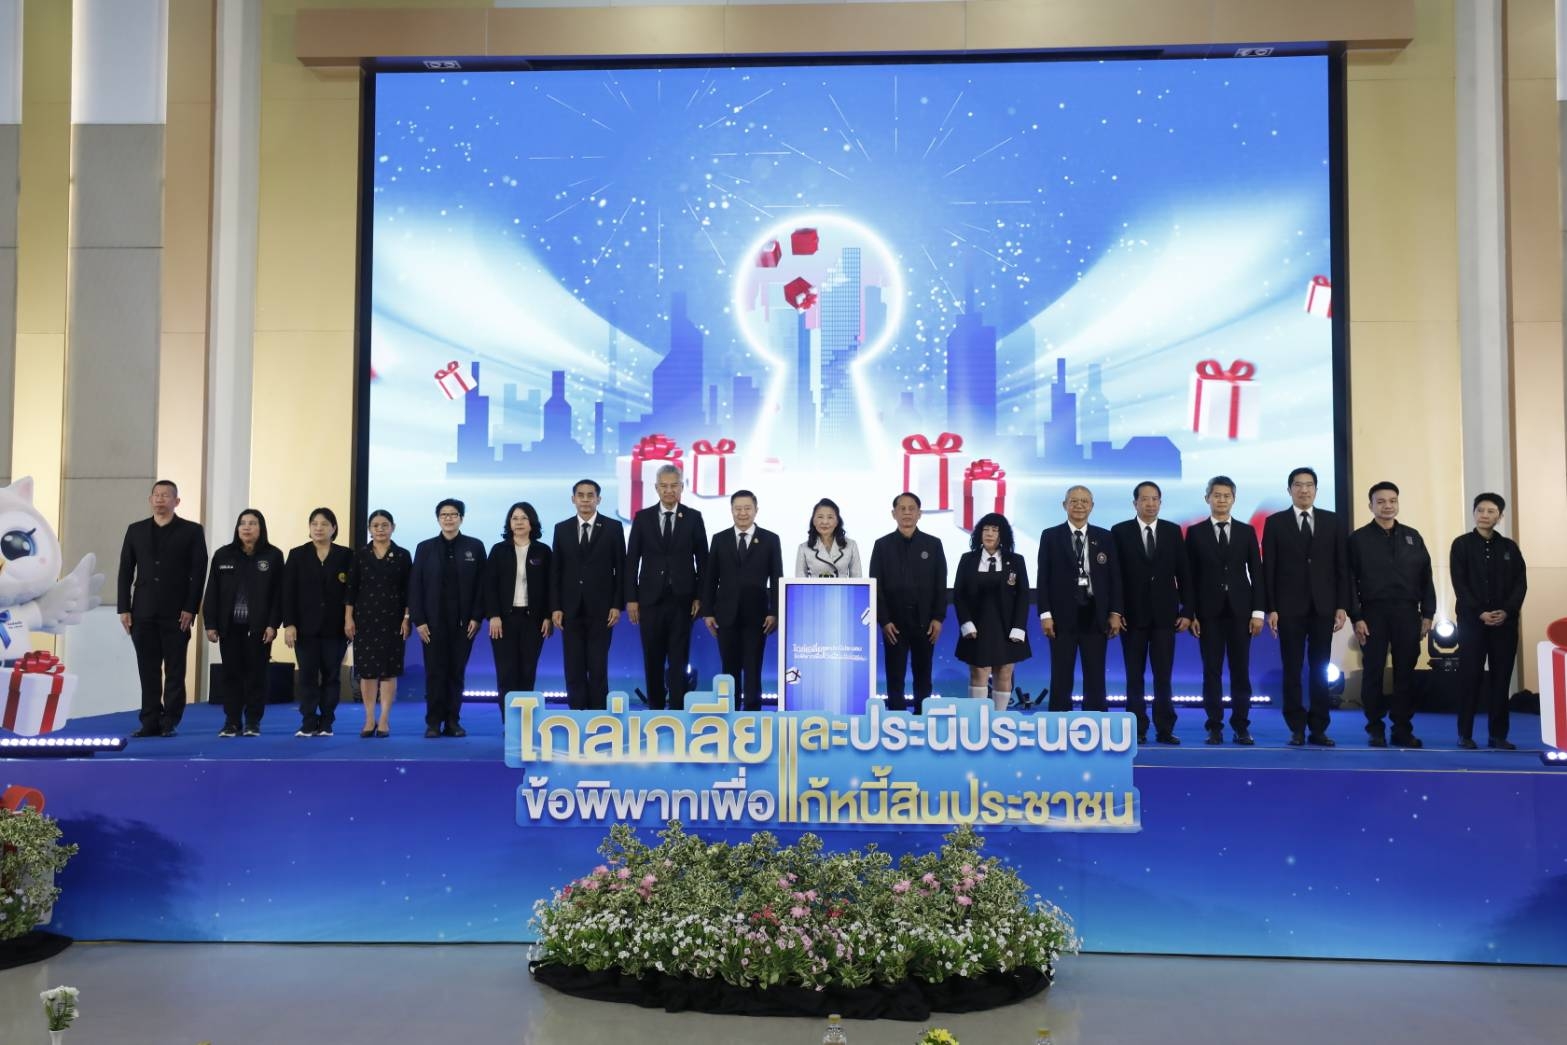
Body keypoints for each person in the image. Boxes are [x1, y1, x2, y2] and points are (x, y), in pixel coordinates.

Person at [1263, 467, 1349, 747]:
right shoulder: (1275, 523)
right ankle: (1296, 727)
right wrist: (1271, 608)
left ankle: (1319, 727)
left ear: (1316, 489)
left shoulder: (1333, 521)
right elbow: (1269, 568)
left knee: (1320, 668)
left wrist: (1341, 605)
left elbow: (1341, 566)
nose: (1304, 490)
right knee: (1292, 669)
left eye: (1309, 485)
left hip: (1323, 607)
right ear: (1289, 490)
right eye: (1298, 485)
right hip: (1288, 608)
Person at [117, 479, 208, 738]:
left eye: (166, 495)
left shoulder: (191, 531)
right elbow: (125, 570)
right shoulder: (136, 530)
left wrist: (191, 608)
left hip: (177, 613)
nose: (160, 499)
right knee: (148, 669)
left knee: (175, 670)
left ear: (176, 501)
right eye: (156, 495)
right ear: (150, 500)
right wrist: (124, 608)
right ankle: (149, 720)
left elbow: (198, 572)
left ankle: (170, 721)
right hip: (142, 611)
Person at [1348, 481, 1436, 748]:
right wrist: (1356, 617)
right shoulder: (1358, 539)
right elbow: (1349, 581)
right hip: (1372, 613)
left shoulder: (1413, 536)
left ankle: (1402, 729)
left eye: (1392, 501)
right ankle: (1375, 729)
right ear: (1371, 505)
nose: (1387, 506)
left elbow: (1426, 577)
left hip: (1407, 613)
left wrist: (1427, 613)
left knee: (1405, 673)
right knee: (1373, 671)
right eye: (1381, 501)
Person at [1185, 476, 1264, 745]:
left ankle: (1241, 726)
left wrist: (1258, 612)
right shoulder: (1195, 533)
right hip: (1208, 613)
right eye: (1216, 495)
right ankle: (1214, 726)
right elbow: (1189, 577)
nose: (1221, 500)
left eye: (1226, 495)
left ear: (1234, 499)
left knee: (1240, 671)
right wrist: (1191, 613)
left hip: (1241, 612)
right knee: (1212, 672)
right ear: (1207, 498)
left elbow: (1257, 573)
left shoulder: (1246, 531)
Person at [1110, 481, 1191, 744]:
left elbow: (1184, 573)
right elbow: (1115, 577)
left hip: (1166, 616)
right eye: (1145, 499)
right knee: (1134, 675)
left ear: (1160, 502)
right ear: (1135, 503)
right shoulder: (1119, 532)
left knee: (1163, 675)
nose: (1150, 503)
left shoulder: (1172, 531)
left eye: (1155, 499)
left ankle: (1165, 727)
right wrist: (1116, 610)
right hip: (1131, 617)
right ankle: (1137, 728)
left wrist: (1188, 610)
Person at [625, 465, 707, 710]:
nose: (669, 490)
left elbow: (703, 561)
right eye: (664, 486)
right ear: (656, 488)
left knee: (679, 658)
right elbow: (632, 561)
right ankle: (656, 709)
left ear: (681, 487)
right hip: (649, 600)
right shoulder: (642, 518)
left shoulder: (693, 517)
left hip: (683, 600)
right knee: (652, 657)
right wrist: (631, 598)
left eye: (674, 485)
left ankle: (678, 710)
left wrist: (700, 597)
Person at [1449, 492, 1527, 750]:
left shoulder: (1509, 548)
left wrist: (1507, 611)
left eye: (1491, 511)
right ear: (1474, 513)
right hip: (1472, 623)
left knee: (1501, 680)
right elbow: (1460, 583)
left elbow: (1520, 584)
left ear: (1500, 516)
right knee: (1469, 678)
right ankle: (1465, 734)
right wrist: (1479, 612)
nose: (1484, 515)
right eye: (1480, 510)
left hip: (1504, 624)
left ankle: (1498, 735)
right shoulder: (1461, 545)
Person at [1037, 485, 1123, 712]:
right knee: (1061, 672)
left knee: (1095, 672)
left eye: (1084, 501)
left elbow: (1115, 578)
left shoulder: (1105, 537)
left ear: (1092, 506)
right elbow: (1043, 578)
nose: (1079, 505)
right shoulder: (1050, 536)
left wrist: (1115, 612)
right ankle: (1058, 719)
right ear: (1064, 505)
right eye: (1073, 501)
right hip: (1061, 616)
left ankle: (1096, 719)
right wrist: (1045, 614)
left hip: (1095, 614)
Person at [202, 509, 285, 737]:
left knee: (257, 676)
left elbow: (278, 595)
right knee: (231, 675)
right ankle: (232, 721)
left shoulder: (273, 556)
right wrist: (210, 624)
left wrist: (273, 624)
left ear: (261, 528)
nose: (247, 527)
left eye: (252, 523)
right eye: (243, 523)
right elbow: (212, 592)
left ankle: (253, 722)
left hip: (259, 629)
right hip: (229, 628)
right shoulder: (223, 555)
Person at [409, 498, 487, 738]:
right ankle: (433, 722)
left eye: (453, 514)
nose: (448, 518)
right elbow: (415, 586)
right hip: (432, 624)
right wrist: (419, 620)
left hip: (464, 624)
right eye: (444, 514)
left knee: (456, 673)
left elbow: (482, 586)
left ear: (461, 518)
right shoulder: (425, 548)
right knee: (435, 673)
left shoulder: (475, 546)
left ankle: (453, 721)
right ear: (438, 519)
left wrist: (477, 617)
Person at [702, 489, 784, 712]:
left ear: (756, 510)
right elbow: (711, 578)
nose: (743, 513)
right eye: (738, 508)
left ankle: (752, 716)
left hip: (758, 616)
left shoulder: (770, 539)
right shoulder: (719, 539)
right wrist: (708, 612)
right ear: (731, 510)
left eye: (747, 508)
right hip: (725, 614)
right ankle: (729, 713)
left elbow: (777, 578)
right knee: (729, 668)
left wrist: (774, 611)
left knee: (753, 667)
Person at [868, 492, 948, 713]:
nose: (907, 513)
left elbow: (940, 585)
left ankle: (923, 717)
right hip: (893, 624)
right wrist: (884, 620)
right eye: (901, 508)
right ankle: (896, 719)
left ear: (919, 514)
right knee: (895, 676)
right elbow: (876, 586)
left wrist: (938, 618)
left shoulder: (933, 544)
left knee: (923, 674)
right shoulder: (882, 545)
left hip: (925, 622)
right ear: (893, 514)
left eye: (912, 508)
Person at [550, 479, 625, 711]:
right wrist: (556, 606)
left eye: (590, 495)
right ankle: (577, 714)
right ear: (573, 499)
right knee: (573, 666)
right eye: (580, 495)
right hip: (570, 609)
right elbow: (556, 571)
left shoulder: (613, 527)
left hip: (602, 610)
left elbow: (621, 569)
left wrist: (617, 605)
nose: (585, 500)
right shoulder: (561, 528)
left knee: (598, 666)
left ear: (598, 499)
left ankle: (597, 716)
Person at [282, 508, 354, 737]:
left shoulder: (346, 555)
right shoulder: (297, 555)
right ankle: (308, 721)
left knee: (332, 676)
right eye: (314, 523)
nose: (319, 528)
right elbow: (287, 592)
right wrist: (289, 624)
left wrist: (350, 620)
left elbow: (351, 592)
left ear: (334, 528)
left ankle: (327, 721)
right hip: (305, 628)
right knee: (307, 676)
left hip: (336, 627)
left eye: (324, 524)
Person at [953, 512, 1032, 712]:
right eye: (985, 529)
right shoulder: (968, 559)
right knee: (978, 672)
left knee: (1004, 673)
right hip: (977, 626)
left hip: (1007, 627)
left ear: (1002, 534)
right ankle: (977, 720)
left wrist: (1019, 627)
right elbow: (959, 595)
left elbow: (1023, 596)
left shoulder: (1016, 560)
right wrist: (966, 623)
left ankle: (999, 719)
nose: (989, 534)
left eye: (995, 530)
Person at [344, 510, 411, 738]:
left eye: (385, 525)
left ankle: (384, 719)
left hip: (393, 620)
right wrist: (348, 618)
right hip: (365, 619)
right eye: (375, 525)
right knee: (368, 672)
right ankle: (369, 718)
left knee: (389, 672)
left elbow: (408, 590)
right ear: (369, 529)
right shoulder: (360, 555)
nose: (380, 529)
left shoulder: (402, 555)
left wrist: (406, 618)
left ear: (393, 527)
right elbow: (351, 589)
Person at [486, 501, 554, 717]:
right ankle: (509, 722)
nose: (519, 522)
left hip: (533, 620)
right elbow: (489, 586)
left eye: (524, 518)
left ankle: (524, 721)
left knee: (527, 671)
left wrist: (548, 616)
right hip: (504, 621)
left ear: (532, 522)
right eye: (514, 518)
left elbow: (551, 586)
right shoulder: (499, 550)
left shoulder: (543, 551)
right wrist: (493, 615)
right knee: (506, 673)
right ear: (509, 523)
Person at [794, 498, 862, 578]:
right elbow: (800, 581)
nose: (825, 522)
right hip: (815, 587)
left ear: (837, 522)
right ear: (814, 521)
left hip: (842, 587)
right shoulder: (804, 548)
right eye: (820, 517)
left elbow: (857, 579)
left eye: (830, 517)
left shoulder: (851, 545)